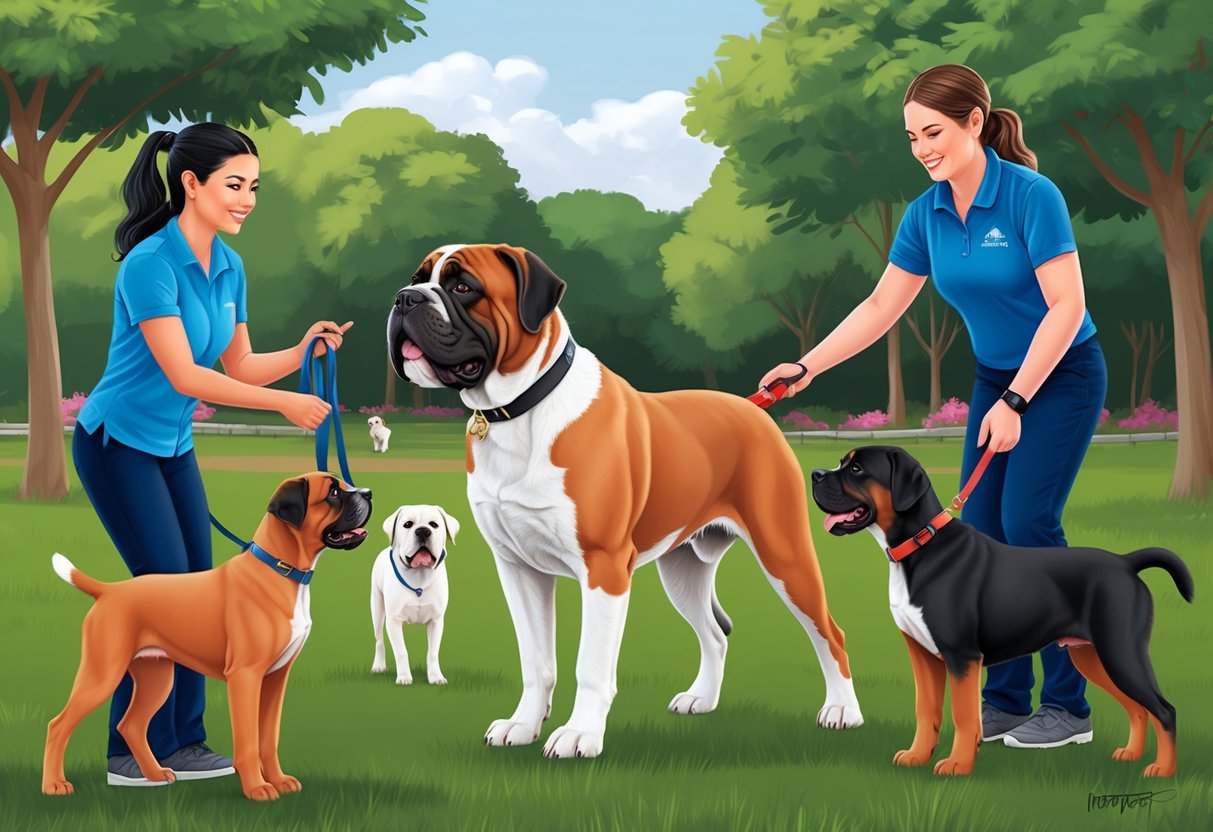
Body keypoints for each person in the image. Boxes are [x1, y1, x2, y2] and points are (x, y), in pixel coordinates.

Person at [759, 64, 1107, 749]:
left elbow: (1067, 307)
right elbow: (882, 304)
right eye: (911, 135)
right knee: (977, 530)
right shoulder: (928, 213)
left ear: (975, 123)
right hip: (994, 375)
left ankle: (1069, 709)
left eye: (934, 131)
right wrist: (806, 365)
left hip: (1060, 375)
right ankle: (1005, 700)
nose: (921, 147)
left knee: (1027, 523)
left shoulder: (1030, 197)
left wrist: (1017, 399)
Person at [74, 123, 353, 786]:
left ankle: (185, 743)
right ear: (190, 184)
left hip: (170, 444)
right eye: (234, 185)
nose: (247, 199)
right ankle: (129, 754)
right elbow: (185, 376)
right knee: (163, 584)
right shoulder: (150, 263)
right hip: (115, 442)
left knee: (200, 579)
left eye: (254, 187)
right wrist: (286, 407)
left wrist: (302, 353)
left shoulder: (229, 267)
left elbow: (243, 364)